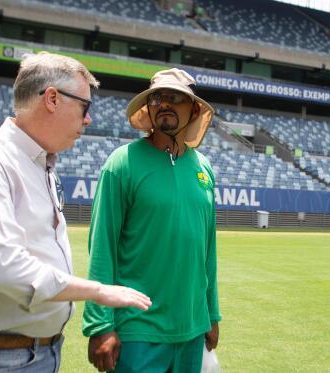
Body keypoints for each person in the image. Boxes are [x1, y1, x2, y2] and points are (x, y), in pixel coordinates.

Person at [0, 52, 151, 373]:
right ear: (52, 99)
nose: (88, 119)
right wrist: (98, 290)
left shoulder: (41, 165)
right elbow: (7, 268)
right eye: (85, 106)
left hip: (37, 353)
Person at [83, 68, 221, 372]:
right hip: (137, 330)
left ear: (194, 109)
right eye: (158, 98)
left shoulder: (204, 169)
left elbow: (207, 250)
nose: (165, 104)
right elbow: (102, 247)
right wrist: (100, 324)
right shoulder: (121, 164)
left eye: (176, 98)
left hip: (193, 329)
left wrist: (212, 314)